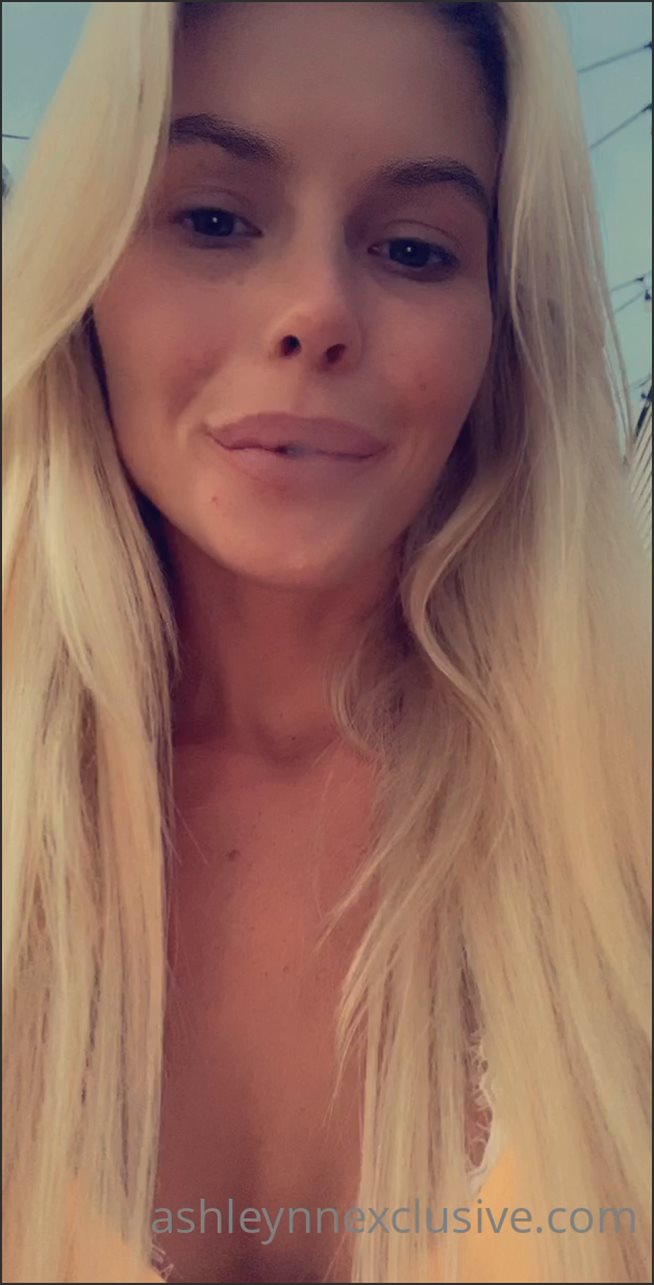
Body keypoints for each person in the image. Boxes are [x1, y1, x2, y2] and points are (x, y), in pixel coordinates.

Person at [2, 3, 651, 1282]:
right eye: (213, 219)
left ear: (501, 333)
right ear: (87, 272)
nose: (313, 309)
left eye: (412, 247)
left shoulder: (624, 818)